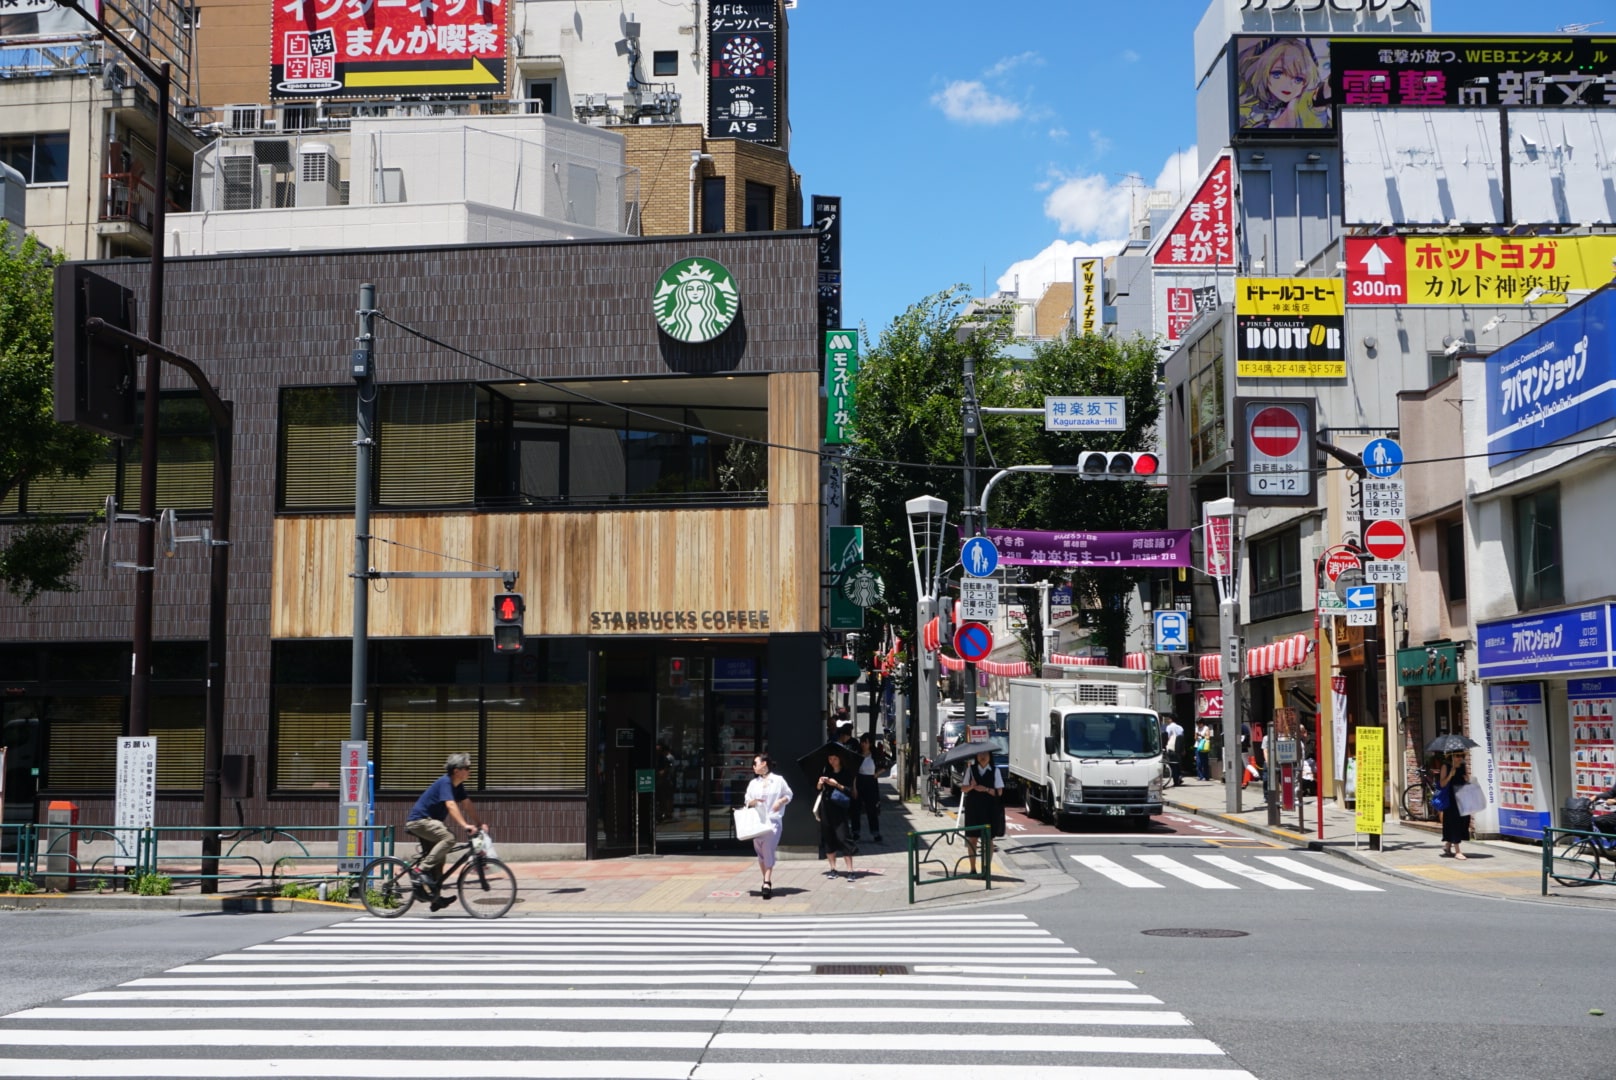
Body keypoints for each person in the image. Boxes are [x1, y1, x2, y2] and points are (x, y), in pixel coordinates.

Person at [405, 752, 484, 911]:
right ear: (456, 770)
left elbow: (467, 804)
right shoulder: (445, 782)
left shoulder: (457, 786)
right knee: (449, 838)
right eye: (467, 768)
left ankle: (435, 899)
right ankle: (419, 870)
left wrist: (479, 823)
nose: (470, 771)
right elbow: (451, 805)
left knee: (439, 860)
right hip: (419, 821)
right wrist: (465, 825)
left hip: (430, 823)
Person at [1236, 37, 1331, 131]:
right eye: (1277, 74)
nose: (1288, 85)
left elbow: (1322, 95)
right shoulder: (1246, 96)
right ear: (1264, 71)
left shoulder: (1303, 103)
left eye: (1298, 79)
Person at [743, 753, 792, 900]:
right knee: (761, 854)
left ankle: (767, 882)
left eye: (755, 763)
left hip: (773, 822)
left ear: (764, 764)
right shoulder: (753, 783)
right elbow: (747, 800)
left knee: (768, 850)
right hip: (757, 823)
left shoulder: (778, 780)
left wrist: (780, 801)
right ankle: (765, 879)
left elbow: (789, 794)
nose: (753, 766)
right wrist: (753, 802)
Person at [959, 749, 1005, 875]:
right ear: (976, 756)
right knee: (972, 838)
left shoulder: (995, 771)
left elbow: (999, 792)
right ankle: (973, 868)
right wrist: (972, 786)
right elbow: (963, 789)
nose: (983, 757)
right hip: (973, 808)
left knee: (988, 839)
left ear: (990, 756)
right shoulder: (971, 770)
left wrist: (985, 789)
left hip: (989, 809)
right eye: (980, 754)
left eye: (985, 754)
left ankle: (987, 869)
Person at [817, 750, 858, 879]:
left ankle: (850, 870)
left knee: (843, 837)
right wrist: (820, 783)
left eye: (834, 758)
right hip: (826, 807)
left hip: (839, 808)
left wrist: (836, 785)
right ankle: (833, 868)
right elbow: (818, 789)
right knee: (828, 837)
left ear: (839, 759)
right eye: (830, 759)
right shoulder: (826, 771)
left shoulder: (846, 773)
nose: (832, 761)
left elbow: (849, 790)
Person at [1436, 751, 1471, 858]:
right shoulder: (1446, 766)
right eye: (1457, 756)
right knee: (1454, 822)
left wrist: (1467, 780)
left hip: (1462, 797)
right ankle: (1457, 851)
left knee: (1464, 820)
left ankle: (1448, 845)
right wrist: (1450, 775)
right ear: (1451, 756)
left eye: (1462, 755)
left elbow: (1466, 781)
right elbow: (1442, 784)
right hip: (1450, 799)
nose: (1460, 758)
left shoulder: (1463, 766)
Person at [855, 733, 883, 844]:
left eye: (865, 742)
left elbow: (885, 765)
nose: (863, 744)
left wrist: (877, 774)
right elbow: (854, 772)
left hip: (871, 782)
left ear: (870, 744)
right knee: (856, 809)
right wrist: (854, 788)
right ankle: (856, 832)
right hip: (859, 781)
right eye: (862, 742)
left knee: (872, 808)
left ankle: (875, 832)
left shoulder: (874, 755)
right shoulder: (857, 754)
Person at [1163, 716, 1185, 786]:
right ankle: (1179, 777)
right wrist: (1183, 749)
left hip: (1171, 747)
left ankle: (1176, 780)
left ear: (1171, 719)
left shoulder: (1169, 727)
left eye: (1169, 719)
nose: (1168, 720)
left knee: (1172, 764)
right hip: (1179, 748)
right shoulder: (1180, 727)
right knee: (1178, 763)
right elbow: (1182, 739)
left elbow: (1168, 737)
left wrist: (1164, 745)